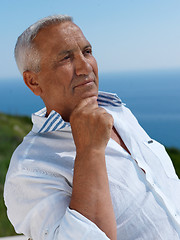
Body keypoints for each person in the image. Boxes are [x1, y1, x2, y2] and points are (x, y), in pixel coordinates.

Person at [4, 14, 180, 240]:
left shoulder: (120, 112)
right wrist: (90, 152)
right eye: (66, 58)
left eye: (87, 52)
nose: (85, 66)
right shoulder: (29, 168)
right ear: (33, 82)